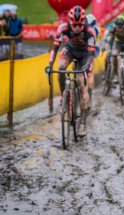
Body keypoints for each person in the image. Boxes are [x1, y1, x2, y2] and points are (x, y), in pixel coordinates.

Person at [47, 5, 96, 137]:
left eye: (80, 25)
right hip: (70, 50)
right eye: (74, 25)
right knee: (61, 68)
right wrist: (50, 64)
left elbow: (91, 54)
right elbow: (55, 47)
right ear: (69, 22)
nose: (77, 28)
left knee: (82, 87)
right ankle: (64, 95)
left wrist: (86, 66)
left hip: (85, 55)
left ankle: (83, 123)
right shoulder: (63, 28)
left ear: (84, 22)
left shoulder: (90, 31)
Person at [106, 15, 124, 93]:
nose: (119, 29)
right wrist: (108, 49)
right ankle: (116, 75)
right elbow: (109, 39)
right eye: (118, 27)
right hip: (118, 43)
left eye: (121, 27)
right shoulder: (113, 28)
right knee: (114, 54)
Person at [86, 13, 100, 107]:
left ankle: (90, 97)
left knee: (89, 73)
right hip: (87, 50)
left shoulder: (94, 30)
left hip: (90, 51)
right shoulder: (95, 29)